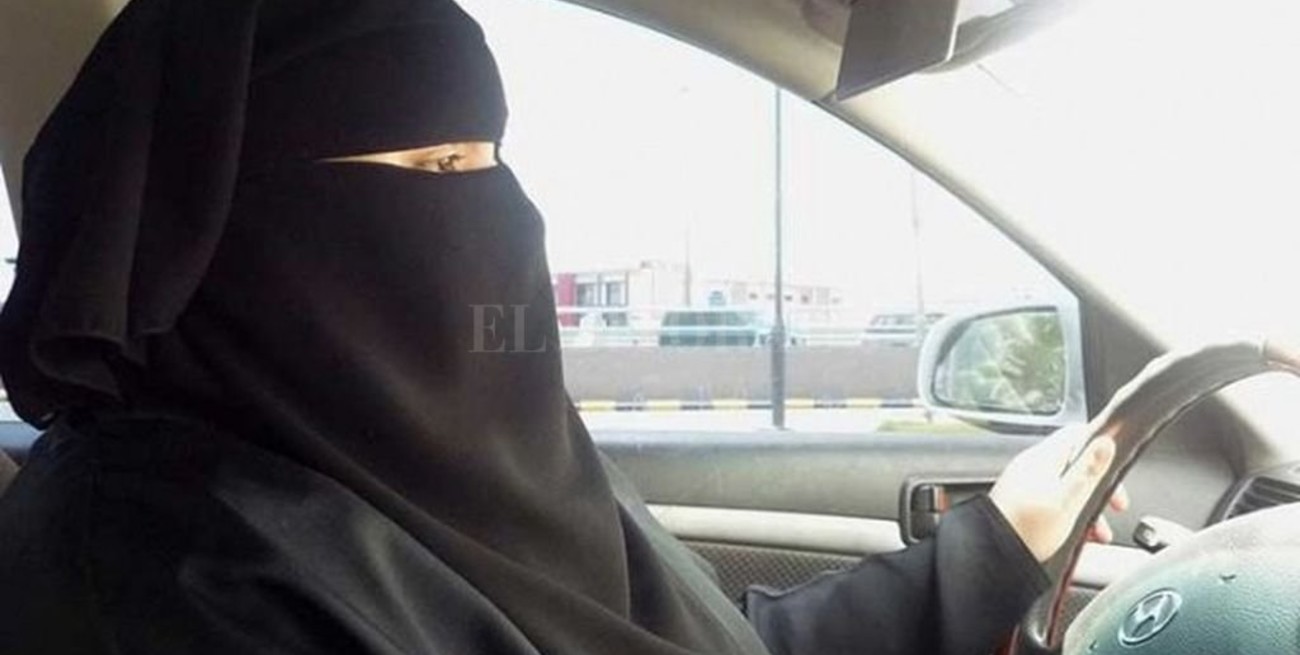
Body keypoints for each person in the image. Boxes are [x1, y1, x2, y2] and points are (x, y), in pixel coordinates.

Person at [0, 1, 1124, 654]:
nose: (491, 214)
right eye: (432, 165)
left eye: (487, 160)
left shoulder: (439, 469)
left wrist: (999, 543)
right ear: (235, 220)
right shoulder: (160, 571)